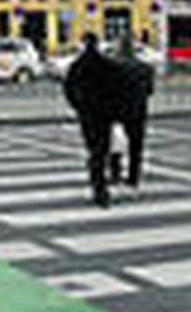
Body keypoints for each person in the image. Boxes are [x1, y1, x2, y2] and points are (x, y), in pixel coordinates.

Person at [63, 31, 154, 207]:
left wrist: (80, 108)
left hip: (93, 114)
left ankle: (101, 190)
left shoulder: (79, 66)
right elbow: (146, 90)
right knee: (133, 145)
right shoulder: (138, 68)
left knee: (97, 152)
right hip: (129, 111)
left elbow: (69, 90)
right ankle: (130, 176)